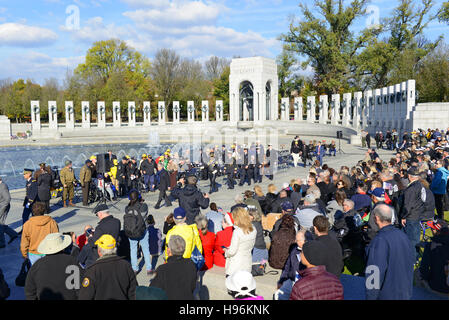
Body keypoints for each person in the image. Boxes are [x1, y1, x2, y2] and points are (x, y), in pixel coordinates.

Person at [365, 204, 415, 300]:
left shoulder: (379, 241)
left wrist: (370, 297)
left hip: (387, 294)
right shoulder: (403, 236)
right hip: (405, 292)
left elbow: (374, 273)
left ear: (376, 218)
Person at [78, 234, 137, 300]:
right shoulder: (126, 265)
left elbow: (84, 297)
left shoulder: (92, 271)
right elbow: (134, 293)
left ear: (99, 251)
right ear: (115, 249)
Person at [24, 233, 79, 300]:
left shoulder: (37, 265)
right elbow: (82, 288)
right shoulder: (72, 261)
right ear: (63, 247)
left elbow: (30, 292)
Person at [150, 235, 197, 300]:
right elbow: (192, 286)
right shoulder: (191, 264)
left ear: (169, 251)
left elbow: (153, 292)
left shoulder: (162, 269)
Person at [400, 166, 426, 262]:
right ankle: (414, 257)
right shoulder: (420, 185)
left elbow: (407, 205)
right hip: (417, 214)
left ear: (410, 176)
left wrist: (403, 216)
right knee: (414, 238)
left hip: (411, 216)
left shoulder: (411, 188)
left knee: (412, 240)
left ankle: (413, 259)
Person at [124, 190, 151, 275]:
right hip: (143, 230)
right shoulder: (144, 206)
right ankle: (149, 268)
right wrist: (141, 202)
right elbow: (144, 215)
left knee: (133, 250)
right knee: (146, 250)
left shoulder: (127, 208)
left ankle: (135, 268)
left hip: (132, 231)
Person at [224, 207, 257, 277]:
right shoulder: (253, 229)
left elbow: (232, 251)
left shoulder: (237, 231)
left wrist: (226, 252)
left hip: (236, 266)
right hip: (247, 263)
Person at [419, 219, 449, 294]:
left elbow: (424, 269)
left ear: (438, 231)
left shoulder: (431, 245)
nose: (432, 230)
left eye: (433, 229)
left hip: (436, 286)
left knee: (416, 273)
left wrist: (426, 278)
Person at [276, 229, 306, 300]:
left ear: (304, 241)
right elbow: (287, 266)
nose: (295, 241)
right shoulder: (294, 250)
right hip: (291, 279)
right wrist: (281, 281)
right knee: (279, 295)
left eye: (297, 240)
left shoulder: (310, 252)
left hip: (303, 283)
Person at [0, 178, 18, 248]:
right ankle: (13, 234)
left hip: (3, 208)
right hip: (1, 207)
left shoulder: (3, 186)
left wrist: (2, 209)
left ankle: (1, 243)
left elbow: (7, 199)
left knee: (0, 224)